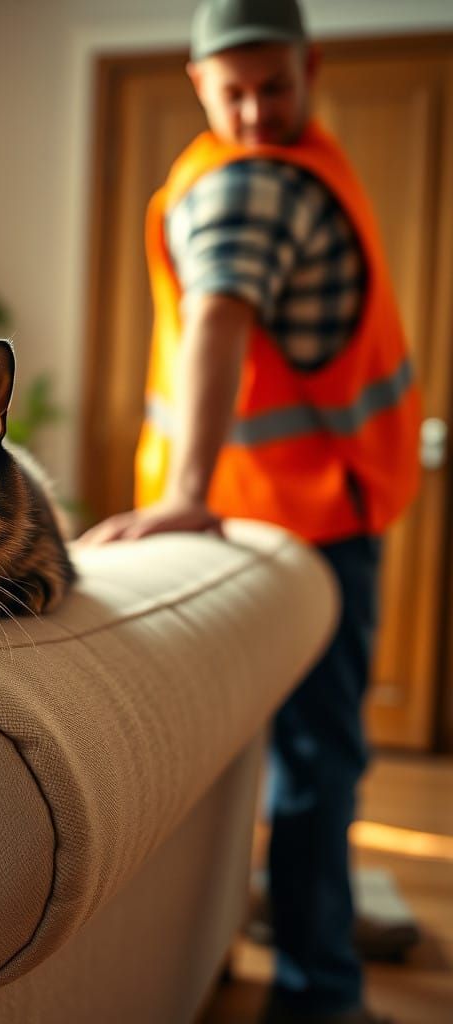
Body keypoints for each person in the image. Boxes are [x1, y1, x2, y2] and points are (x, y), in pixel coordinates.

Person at [78, 1, 420, 1022]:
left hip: (276, 517)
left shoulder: (260, 168)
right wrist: (186, 493)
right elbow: (218, 318)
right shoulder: (255, 185)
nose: (258, 109)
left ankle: (285, 944)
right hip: (303, 526)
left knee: (288, 767)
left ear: (311, 68)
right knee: (318, 768)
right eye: (233, 91)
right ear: (197, 85)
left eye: (274, 84)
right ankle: (319, 994)